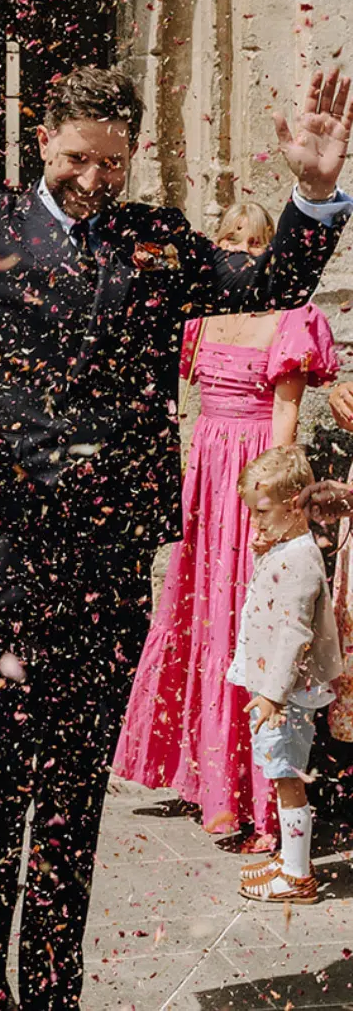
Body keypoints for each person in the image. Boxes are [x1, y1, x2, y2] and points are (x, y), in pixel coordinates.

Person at [0, 65, 353, 1010]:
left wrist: (316, 194)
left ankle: (50, 989)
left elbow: (271, 283)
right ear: (43, 140)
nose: (93, 181)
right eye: (79, 159)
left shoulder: (156, 237)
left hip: (108, 555)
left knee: (77, 791)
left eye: (113, 164)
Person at [114, 203, 336, 848]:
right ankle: (206, 778)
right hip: (205, 473)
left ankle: (252, 791)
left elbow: (286, 423)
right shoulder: (201, 316)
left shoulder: (292, 318)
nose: (241, 249)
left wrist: (276, 503)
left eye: (255, 240)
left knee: (250, 617)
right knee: (202, 613)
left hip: (253, 475)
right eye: (230, 238)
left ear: (273, 250)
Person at [229, 445, 343, 904]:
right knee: (282, 773)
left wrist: (273, 695)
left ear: (295, 503)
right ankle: (290, 861)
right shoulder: (291, 546)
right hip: (279, 689)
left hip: (287, 694)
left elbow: (294, 630)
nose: (255, 523)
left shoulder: (298, 559)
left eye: (262, 513)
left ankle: (297, 875)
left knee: (286, 776)